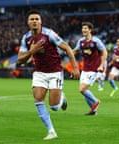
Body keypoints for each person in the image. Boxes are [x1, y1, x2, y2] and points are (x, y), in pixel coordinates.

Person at [17, 10, 80, 140]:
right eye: (32, 19)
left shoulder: (49, 34)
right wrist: (32, 51)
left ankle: (61, 99)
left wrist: (75, 68)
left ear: (40, 22)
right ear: (28, 22)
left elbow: (67, 48)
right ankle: (51, 131)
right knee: (38, 99)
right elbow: (20, 60)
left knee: (54, 107)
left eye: (37, 19)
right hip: (39, 73)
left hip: (55, 72)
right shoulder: (26, 38)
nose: (34, 21)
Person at [73, 22, 107, 116]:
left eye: (85, 28)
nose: (83, 30)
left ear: (90, 30)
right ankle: (93, 111)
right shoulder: (81, 41)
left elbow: (104, 52)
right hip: (85, 69)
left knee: (82, 89)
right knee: (84, 91)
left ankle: (96, 101)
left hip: (94, 69)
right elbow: (75, 50)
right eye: (83, 28)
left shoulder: (96, 41)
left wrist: (101, 65)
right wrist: (68, 52)